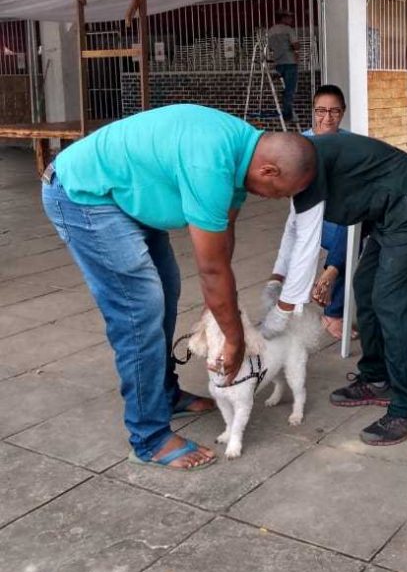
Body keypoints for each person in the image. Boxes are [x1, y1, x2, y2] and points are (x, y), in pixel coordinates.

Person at [41, 105, 315, 471]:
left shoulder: (241, 154)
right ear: (268, 170)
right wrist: (233, 339)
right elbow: (211, 269)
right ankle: (149, 437)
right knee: (140, 308)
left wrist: (220, 308)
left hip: (123, 197)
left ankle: (164, 394)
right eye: (280, 192)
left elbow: (222, 241)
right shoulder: (212, 164)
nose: (275, 199)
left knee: (166, 288)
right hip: (84, 195)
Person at [262, 132, 407, 445]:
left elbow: (306, 246)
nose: (269, 196)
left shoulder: (307, 168)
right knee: (365, 286)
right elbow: (294, 229)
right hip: (388, 213)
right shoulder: (299, 163)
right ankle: (378, 378)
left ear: (273, 170)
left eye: (265, 188)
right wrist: (276, 279)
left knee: (391, 299)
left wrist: (281, 312)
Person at [266, 84, 352, 341]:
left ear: (343, 112)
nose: (327, 118)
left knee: (354, 230)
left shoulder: (349, 143)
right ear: (313, 112)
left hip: (341, 218)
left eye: (335, 112)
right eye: (321, 111)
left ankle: (329, 277)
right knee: (349, 241)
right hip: (311, 220)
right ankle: (333, 309)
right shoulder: (300, 146)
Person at [267, 9, 299, 125]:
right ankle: (287, 115)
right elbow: (296, 45)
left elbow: (270, 47)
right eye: (289, 17)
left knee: (282, 89)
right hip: (290, 62)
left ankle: (284, 109)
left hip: (278, 63)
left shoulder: (271, 31)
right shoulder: (288, 30)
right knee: (290, 90)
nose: (291, 20)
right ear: (283, 18)